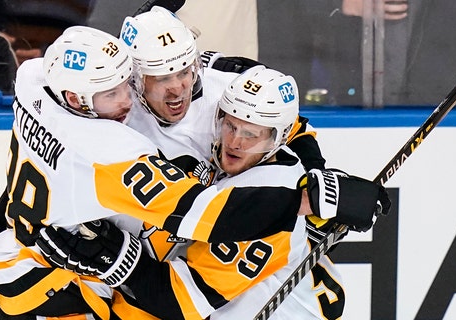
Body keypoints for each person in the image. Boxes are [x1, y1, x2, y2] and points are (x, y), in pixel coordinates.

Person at [37, 65, 390, 319]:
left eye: (251, 135)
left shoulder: (265, 210)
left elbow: (179, 303)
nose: (234, 142)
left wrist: (116, 261)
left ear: (278, 139)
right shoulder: (245, 154)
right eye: (230, 125)